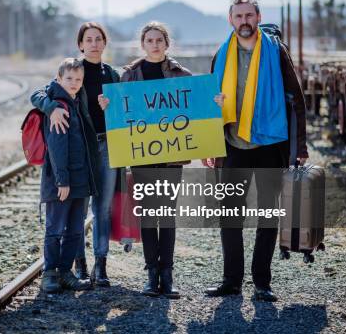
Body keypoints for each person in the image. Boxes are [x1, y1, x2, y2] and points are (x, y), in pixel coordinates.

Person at [105, 21, 223, 298]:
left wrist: (213, 102)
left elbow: (196, 111)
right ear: (142, 44)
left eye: (159, 40)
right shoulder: (129, 75)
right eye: (149, 40)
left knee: (166, 215)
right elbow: (121, 114)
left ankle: (167, 276)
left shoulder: (182, 74)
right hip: (141, 154)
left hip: (172, 156)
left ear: (167, 44)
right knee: (148, 215)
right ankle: (151, 275)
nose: (155, 44)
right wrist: (107, 106)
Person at [203, 0, 308, 302]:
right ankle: (231, 281)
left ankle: (262, 282)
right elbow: (210, 101)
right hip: (234, 145)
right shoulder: (221, 54)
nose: (244, 20)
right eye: (239, 16)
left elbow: (297, 97)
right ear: (230, 20)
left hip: (270, 144)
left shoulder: (276, 51)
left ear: (259, 17)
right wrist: (211, 143)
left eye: (249, 15)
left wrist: (300, 145)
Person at [31, 22, 120, 287]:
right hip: (79, 150)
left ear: (105, 43)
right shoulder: (73, 70)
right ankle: (76, 267)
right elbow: (38, 93)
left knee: (102, 209)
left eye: (98, 39)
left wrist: (111, 105)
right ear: (80, 44)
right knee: (75, 211)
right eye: (88, 39)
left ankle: (100, 267)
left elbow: (129, 105)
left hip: (105, 147)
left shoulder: (113, 75)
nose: (94, 43)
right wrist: (51, 108)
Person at [39, 58, 97, 294]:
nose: (74, 83)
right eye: (69, 79)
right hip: (62, 182)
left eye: (78, 79)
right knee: (55, 229)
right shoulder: (59, 107)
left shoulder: (76, 102)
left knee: (75, 230)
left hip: (81, 180)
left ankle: (65, 272)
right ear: (59, 79)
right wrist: (62, 180)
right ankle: (50, 273)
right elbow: (56, 147)